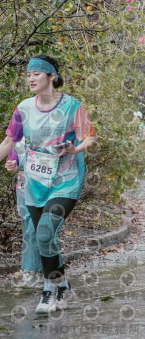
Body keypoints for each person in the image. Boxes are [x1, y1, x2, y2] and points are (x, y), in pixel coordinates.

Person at [0, 54, 98, 313]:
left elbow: (90, 137)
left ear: (52, 76)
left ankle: (47, 291)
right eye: (28, 75)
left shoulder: (72, 106)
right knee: (46, 238)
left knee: (44, 232)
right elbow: (9, 142)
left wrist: (75, 149)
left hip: (66, 182)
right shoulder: (23, 108)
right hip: (35, 184)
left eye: (36, 74)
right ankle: (63, 285)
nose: (30, 79)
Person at [5, 139, 46, 289]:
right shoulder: (16, 139)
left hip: (41, 190)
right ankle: (33, 273)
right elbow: (13, 167)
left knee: (33, 230)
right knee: (27, 230)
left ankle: (35, 272)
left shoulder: (44, 134)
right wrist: (12, 166)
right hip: (22, 191)